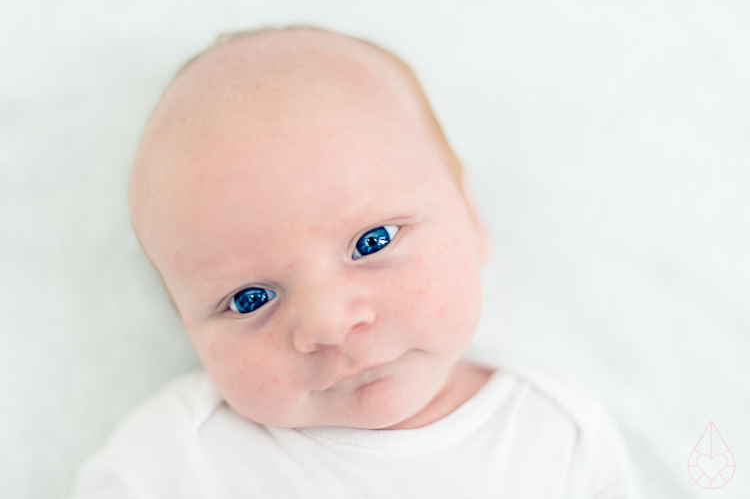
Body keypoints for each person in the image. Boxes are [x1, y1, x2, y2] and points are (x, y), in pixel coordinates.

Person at [70, 26, 640, 498]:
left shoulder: (557, 434)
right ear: (188, 325)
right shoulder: (174, 456)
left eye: (373, 242)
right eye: (250, 299)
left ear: (471, 220)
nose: (329, 323)